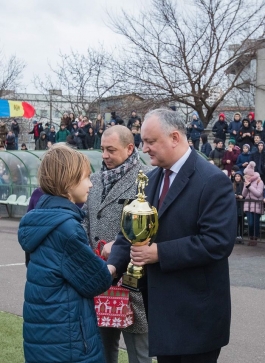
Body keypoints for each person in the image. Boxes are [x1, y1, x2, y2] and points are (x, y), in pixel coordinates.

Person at [107, 108, 237, 363]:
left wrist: (158, 253)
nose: (144, 149)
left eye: (150, 141)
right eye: (143, 141)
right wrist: (111, 268)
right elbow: (130, 232)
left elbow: (217, 242)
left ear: (175, 138)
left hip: (198, 320)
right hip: (163, 315)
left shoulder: (212, 181)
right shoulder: (151, 178)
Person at [18, 144, 113, 363]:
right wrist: (113, 261)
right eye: (86, 177)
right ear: (69, 181)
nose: (90, 184)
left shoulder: (43, 217)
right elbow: (96, 280)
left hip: (46, 334)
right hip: (66, 340)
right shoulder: (65, 228)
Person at [83, 125, 152, 363]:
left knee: (139, 353)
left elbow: (156, 227)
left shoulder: (147, 179)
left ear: (129, 148)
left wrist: (120, 244)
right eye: (102, 149)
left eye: (110, 150)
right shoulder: (93, 180)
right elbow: (85, 221)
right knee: (103, 350)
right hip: (100, 277)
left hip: (134, 281)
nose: (104, 155)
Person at [242, 161, 264, 246]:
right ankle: (251, 237)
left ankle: (255, 238)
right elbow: (244, 194)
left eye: (247, 175)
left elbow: (258, 193)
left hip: (256, 205)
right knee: (250, 223)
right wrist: (246, 186)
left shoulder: (259, 181)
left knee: (255, 223)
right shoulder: (246, 181)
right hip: (248, 205)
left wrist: (249, 187)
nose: (246, 176)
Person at [233, 171, 245, 244]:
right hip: (235, 205)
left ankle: (241, 237)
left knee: (242, 222)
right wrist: (237, 196)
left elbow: (244, 194)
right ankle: (236, 237)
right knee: (236, 222)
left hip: (241, 205)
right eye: (236, 176)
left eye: (238, 176)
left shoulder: (243, 184)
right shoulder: (232, 185)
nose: (237, 177)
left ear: (241, 177)